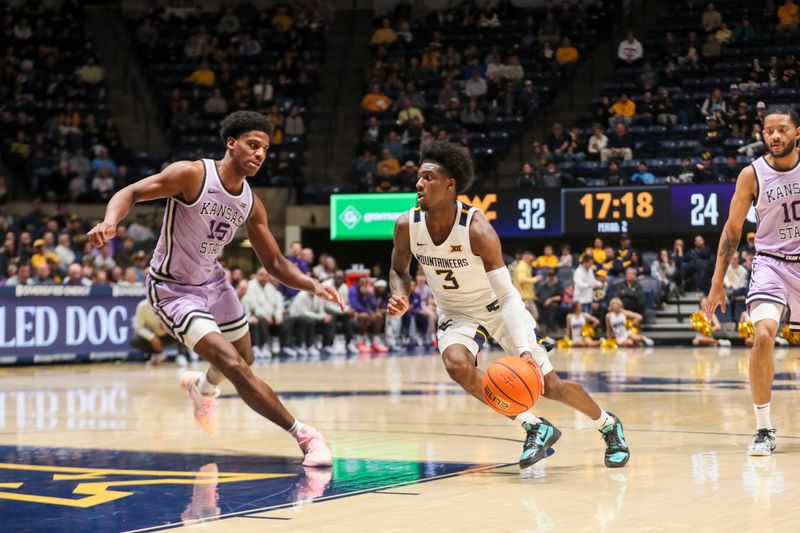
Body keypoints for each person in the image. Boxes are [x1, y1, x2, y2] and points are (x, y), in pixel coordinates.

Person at [86, 111, 342, 467]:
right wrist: (110, 222)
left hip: (214, 282)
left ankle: (202, 389)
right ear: (231, 143)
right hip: (174, 290)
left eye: (265, 149)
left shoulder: (251, 203)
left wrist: (312, 284)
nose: (259, 154)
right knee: (235, 365)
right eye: (253, 145)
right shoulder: (192, 175)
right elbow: (131, 191)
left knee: (245, 359)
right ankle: (306, 435)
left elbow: (275, 263)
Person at [388, 141, 629, 469]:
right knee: (457, 364)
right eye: (418, 177)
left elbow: (508, 295)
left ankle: (607, 424)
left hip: (498, 308)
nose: (419, 184)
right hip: (456, 314)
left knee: (549, 386)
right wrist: (401, 294)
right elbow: (399, 269)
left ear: (450, 184)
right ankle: (533, 426)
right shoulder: (407, 225)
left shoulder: (476, 230)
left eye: (428, 177)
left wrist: (524, 350)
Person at [705, 105, 800, 457]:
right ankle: (763, 428)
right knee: (762, 335)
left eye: (782, 130)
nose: (775, 136)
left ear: (797, 133)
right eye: (769, 131)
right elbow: (732, 230)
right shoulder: (752, 174)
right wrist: (717, 282)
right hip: (771, 263)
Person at [130, 298, 188, 365]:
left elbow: (181, 321)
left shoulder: (171, 303)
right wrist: (151, 337)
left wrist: (168, 325)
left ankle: (181, 355)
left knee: (183, 328)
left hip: (170, 334)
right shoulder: (142, 306)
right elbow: (139, 328)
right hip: (155, 336)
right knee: (135, 340)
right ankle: (158, 353)